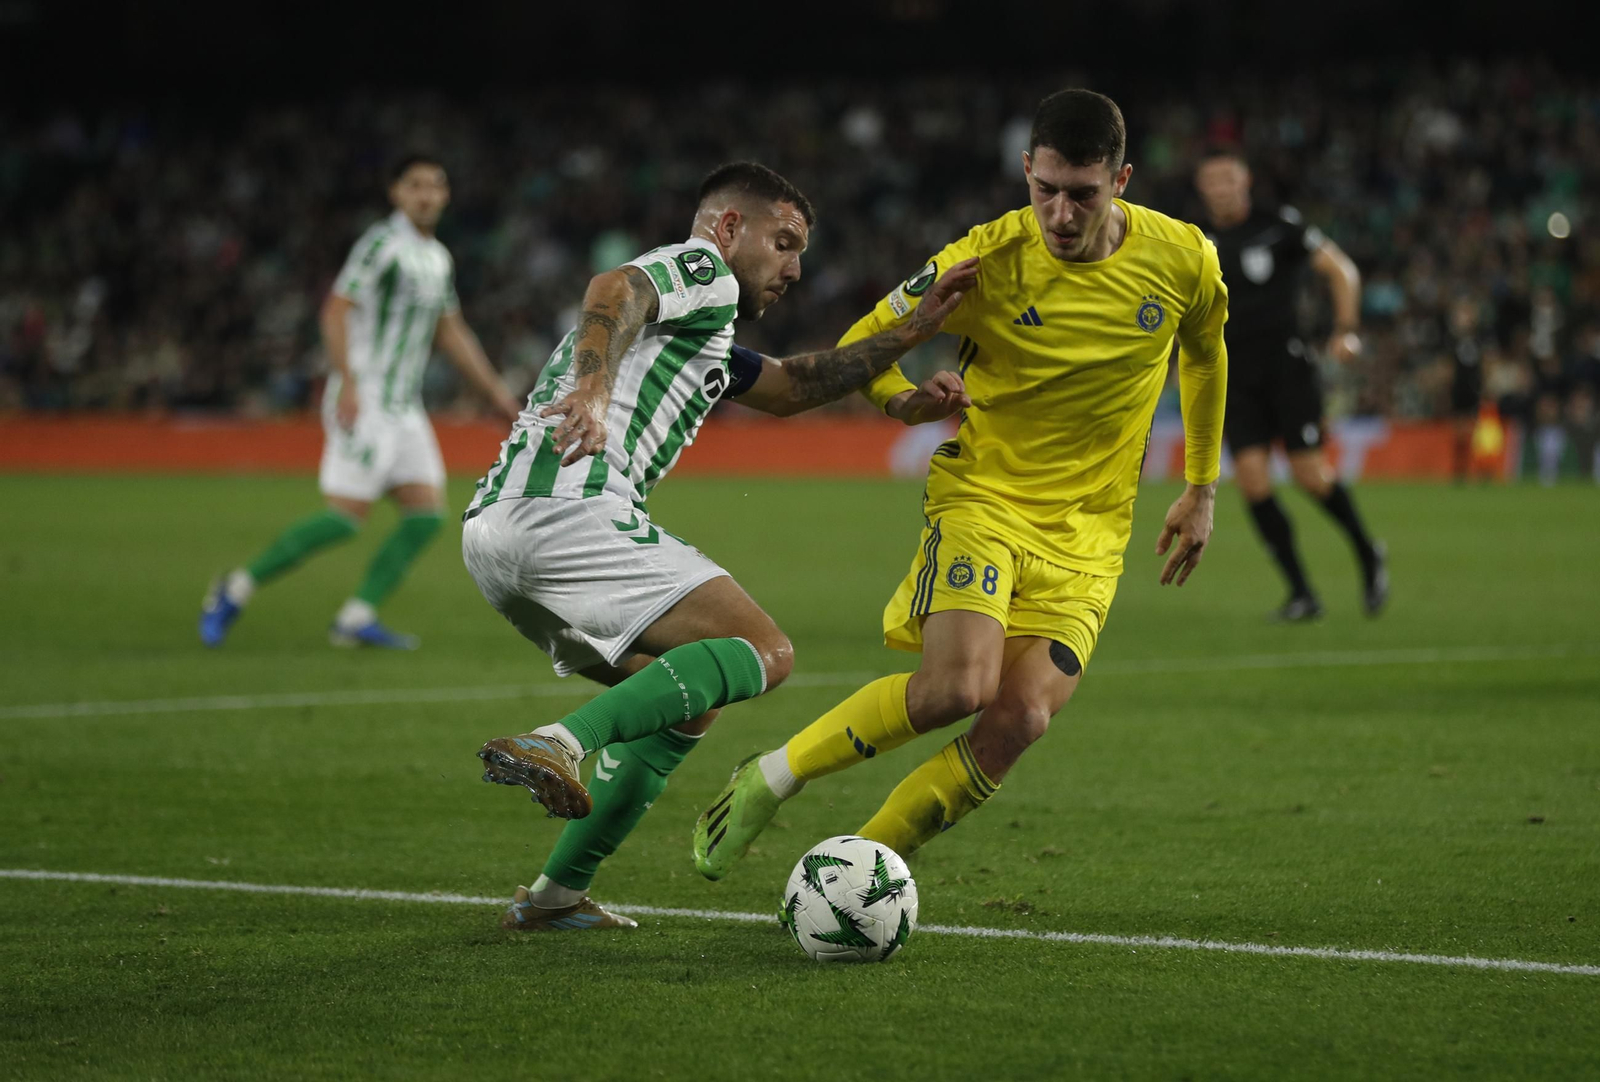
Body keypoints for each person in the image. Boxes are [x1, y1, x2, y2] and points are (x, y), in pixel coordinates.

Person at [691, 89, 1227, 879]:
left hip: (1091, 535)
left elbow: (1206, 355)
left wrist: (1202, 486)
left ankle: (857, 877)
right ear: (1025, 171)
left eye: (1082, 193)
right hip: (986, 501)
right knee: (957, 689)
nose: (1061, 213)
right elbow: (868, 340)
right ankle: (771, 776)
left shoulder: (1185, 258)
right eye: (1044, 189)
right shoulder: (987, 260)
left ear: (1122, 180)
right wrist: (904, 401)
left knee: (1020, 719)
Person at [463, 162, 978, 930]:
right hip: (568, 507)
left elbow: (794, 385)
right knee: (764, 651)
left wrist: (908, 353)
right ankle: (559, 742)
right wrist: (595, 390)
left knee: (688, 702)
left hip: (498, 535)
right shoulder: (704, 270)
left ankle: (553, 898)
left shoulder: (702, 331)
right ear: (731, 227)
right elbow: (616, 290)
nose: (795, 268)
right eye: (785, 241)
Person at [199, 154, 522, 649]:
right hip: (365, 396)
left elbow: (450, 330)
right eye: (415, 185)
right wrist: (347, 380)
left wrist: (498, 394)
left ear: (447, 195)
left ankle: (355, 618)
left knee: (426, 516)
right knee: (344, 517)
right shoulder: (381, 245)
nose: (426, 194)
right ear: (395, 192)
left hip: (404, 407)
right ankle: (233, 588)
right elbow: (336, 308)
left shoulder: (438, 257)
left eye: (436, 185)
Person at [1193, 147, 1387, 621]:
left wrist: (1346, 329)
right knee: (1254, 483)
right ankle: (1302, 593)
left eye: (1229, 179)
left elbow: (1342, 270)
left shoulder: (1279, 225)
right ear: (1203, 189)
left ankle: (1367, 550)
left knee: (1310, 475)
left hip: (1287, 367)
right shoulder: (1195, 240)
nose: (1221, 188)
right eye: (1212, 181)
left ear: (1246, 181)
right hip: (1233, 376)